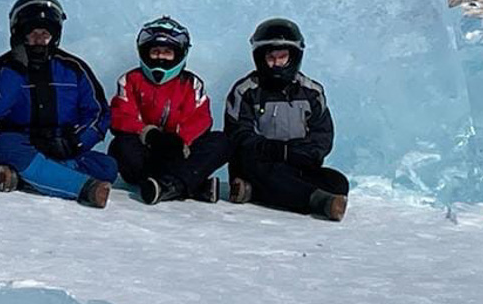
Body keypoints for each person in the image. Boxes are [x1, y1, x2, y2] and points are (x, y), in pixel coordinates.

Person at [0, 0, 118, 208]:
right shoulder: (2, 67)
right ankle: (85, 187)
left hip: (63, 143)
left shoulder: (73, 68)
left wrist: (75, 142)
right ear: (19, 34)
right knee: (4, 147)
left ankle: (27, 175)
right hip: (20, 140)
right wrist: (16, 70)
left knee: (108, 166)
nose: (39, 40)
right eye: (32, 33)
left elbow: (98, 113)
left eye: (45, 34)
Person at [224, 18, 349, 220]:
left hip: (296, 164)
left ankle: (254, 192)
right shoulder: (246, 91)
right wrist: (273, 150)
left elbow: (322, 135)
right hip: (260, 163)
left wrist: (305, 153)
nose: (276, 64)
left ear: (294, 57)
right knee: (267, 173)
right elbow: (238, 134)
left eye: (282, 57)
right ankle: (318, 201)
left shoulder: (312, 92)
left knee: (337, 182)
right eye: (270, 58)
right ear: (260, 58)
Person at [109, 16, 231, 204]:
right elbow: (120, 115)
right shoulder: (130, 80)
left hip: (180, 151)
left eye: (167, 52)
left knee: (221, 142)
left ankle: (169, 185)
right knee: (120, 146)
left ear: (179, 54)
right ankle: (189, 185)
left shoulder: (192, 84)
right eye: (155, 51)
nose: (160, 57)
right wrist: (150, 135)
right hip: (146, 151)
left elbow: (201, 119)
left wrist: (179, 141)